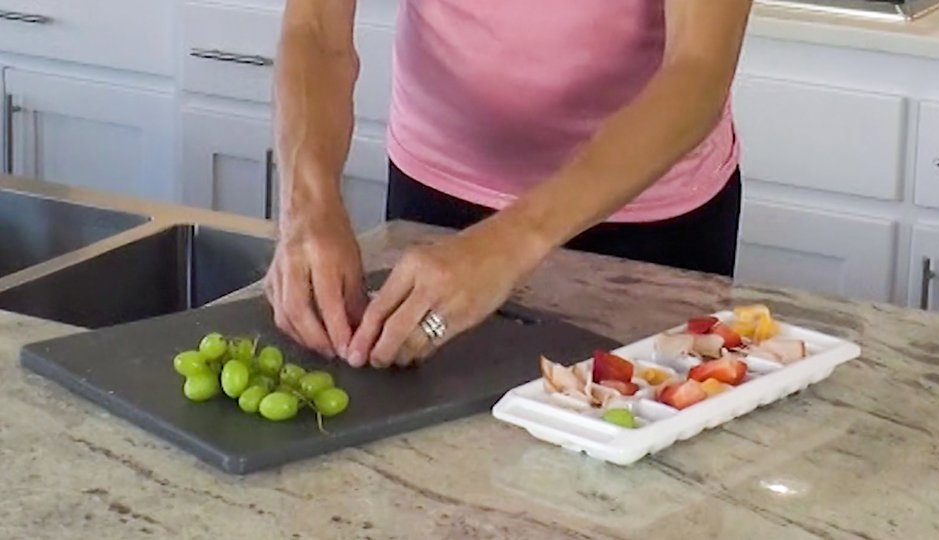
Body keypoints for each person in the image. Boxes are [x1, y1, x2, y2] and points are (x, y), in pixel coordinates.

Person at [265, 0, 753, 370]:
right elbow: (316, 30)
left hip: (647, 217)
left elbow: (698, 66)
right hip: (433, 201)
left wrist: (510, 241)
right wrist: (307, 206)